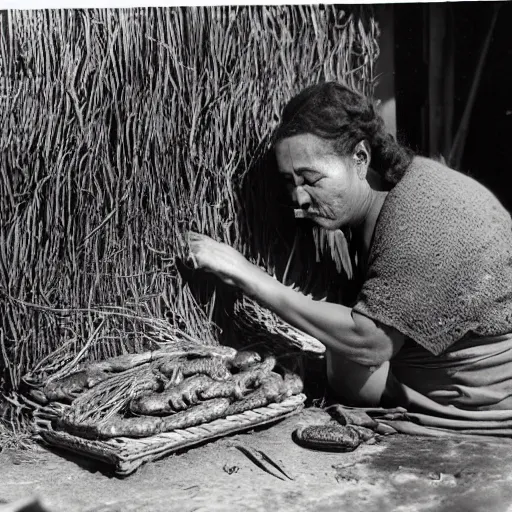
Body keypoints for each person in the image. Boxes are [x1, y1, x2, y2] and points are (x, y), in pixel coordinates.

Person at [188, 82, 512, 434]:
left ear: (360, 158)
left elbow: (369, 343)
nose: (299, 198)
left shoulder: (424, 216)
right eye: (289, 182)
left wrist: (245, 274)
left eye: (311, 179)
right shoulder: (395, 197)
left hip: (482, 409)